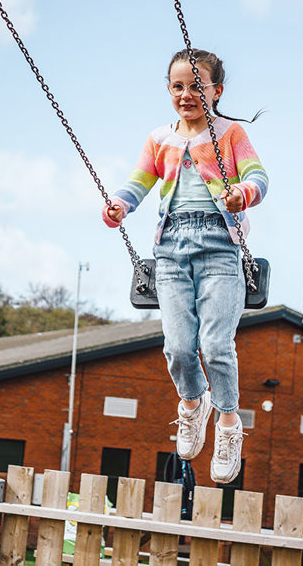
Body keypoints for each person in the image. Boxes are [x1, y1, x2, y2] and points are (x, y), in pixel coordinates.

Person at [102, 48, 268, 484]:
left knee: (215, 346)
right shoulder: (160, 138)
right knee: (178, 347)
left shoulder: (229, 134)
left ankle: (229, 423)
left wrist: (242, 194)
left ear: (217, 91)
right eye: (178, 86)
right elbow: (140, 179)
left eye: (197, 85)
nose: (187, 94)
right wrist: (121, 203)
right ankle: (194, 403)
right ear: (169, 90)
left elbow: (258, 176)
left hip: (219, 246)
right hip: (171, 248)